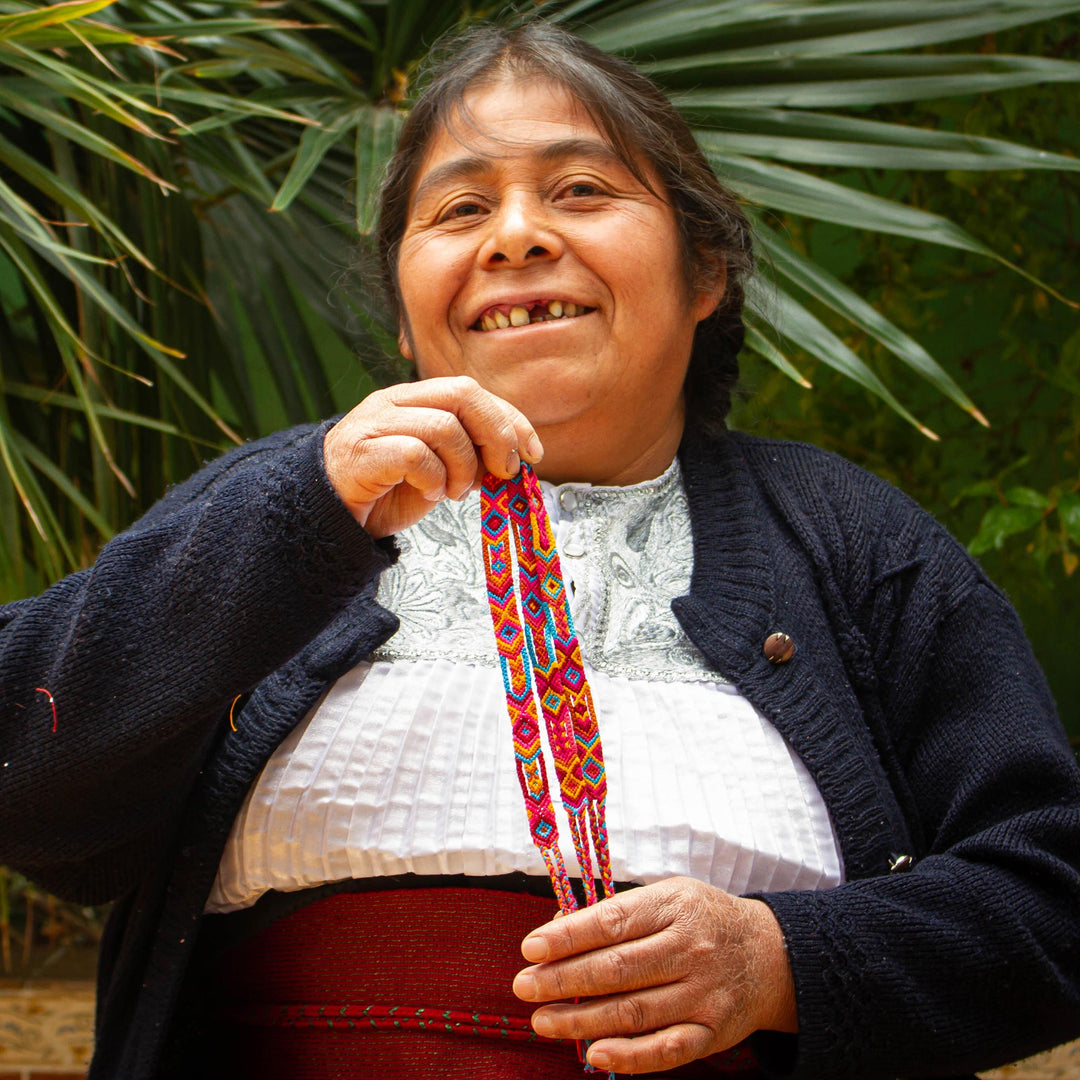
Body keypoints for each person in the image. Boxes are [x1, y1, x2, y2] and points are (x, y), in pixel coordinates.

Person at [1, 19, 1078, 1080]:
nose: (514, 235)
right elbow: (27, 776)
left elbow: (1054, 892)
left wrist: (780, 961)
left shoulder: (857, 543)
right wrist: (301, 513)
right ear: (409, 311)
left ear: (704, 274)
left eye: (582, 191)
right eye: (461, 207)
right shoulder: (277, 507)